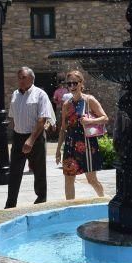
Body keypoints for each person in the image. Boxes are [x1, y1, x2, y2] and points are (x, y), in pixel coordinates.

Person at [5, 67, 55, 209]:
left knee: (39, 170)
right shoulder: (15, 94)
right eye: (19, 77)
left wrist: (31, 140)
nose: (20, 80)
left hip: (36, 136)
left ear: (32, 79)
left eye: (23, 77)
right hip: (18, 136)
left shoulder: (40, 95)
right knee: (14, 171)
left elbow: (42, 119)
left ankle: (41, 199)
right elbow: (13, 116)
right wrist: (16, 135)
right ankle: (10, 203)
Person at [55, 71, 107, 199]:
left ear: (81, 83)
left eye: (74, 83)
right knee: (69, 180)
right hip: (70, 144)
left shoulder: (89, 100)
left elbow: (105, 118)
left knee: (91, 180)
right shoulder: (66, 105)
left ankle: (104, 200)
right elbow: (63, 129)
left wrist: (90, 121)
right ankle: (70, 209)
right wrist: (58, 150)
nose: (72, 86)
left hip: (87, 144)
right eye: (69, 84)